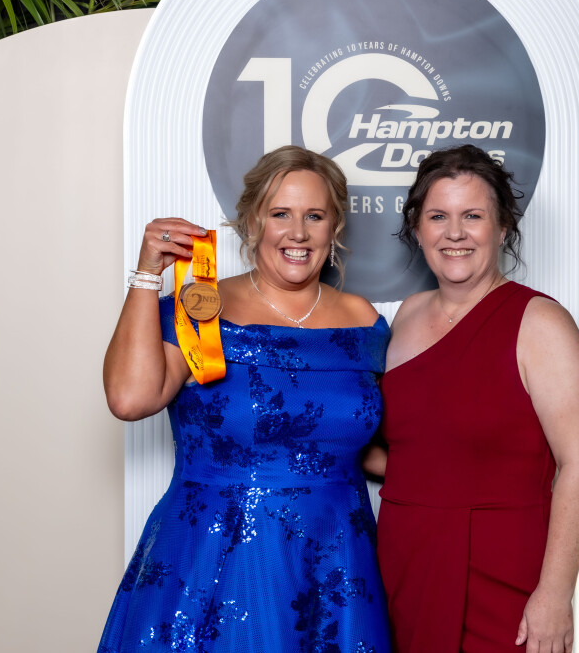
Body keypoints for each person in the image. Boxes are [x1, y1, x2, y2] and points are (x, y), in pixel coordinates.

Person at [98, 146, 392, 652]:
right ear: (252, 221)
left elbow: (368, 450)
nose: (298, 233)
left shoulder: (363, 319)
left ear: (335, 227)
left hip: (338, 555)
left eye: (314, 216)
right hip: (218, 554)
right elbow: (129, 399)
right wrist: (147, 274)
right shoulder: (201, 307)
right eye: (280, 214)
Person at [366, 145, 579, 653]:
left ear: (501, 229)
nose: (455, 233)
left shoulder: (540, 322)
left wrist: (555, 594)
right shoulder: (406, 314)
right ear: (417, 229)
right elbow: (412, 451)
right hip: (406, 560)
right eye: (438, 216)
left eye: (472, 216)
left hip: (501, 566)